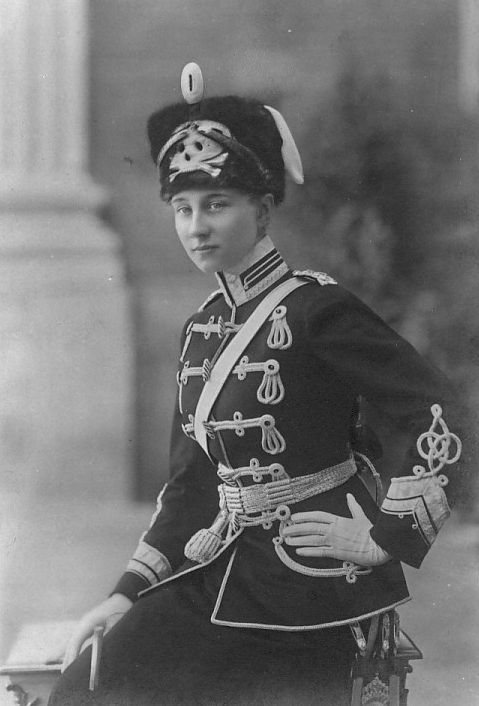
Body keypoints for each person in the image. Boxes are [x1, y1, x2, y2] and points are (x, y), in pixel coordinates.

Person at [49, 63, 463, 706]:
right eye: (183, 209)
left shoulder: (316, 309)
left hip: (314, 589)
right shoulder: (200, 330)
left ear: (263, 210)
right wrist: (124, 594)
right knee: (86, 688)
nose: (196, 227)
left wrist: (385, 536)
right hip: (219, 571)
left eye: (217, 204)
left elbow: (439, 409)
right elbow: (191, 486)